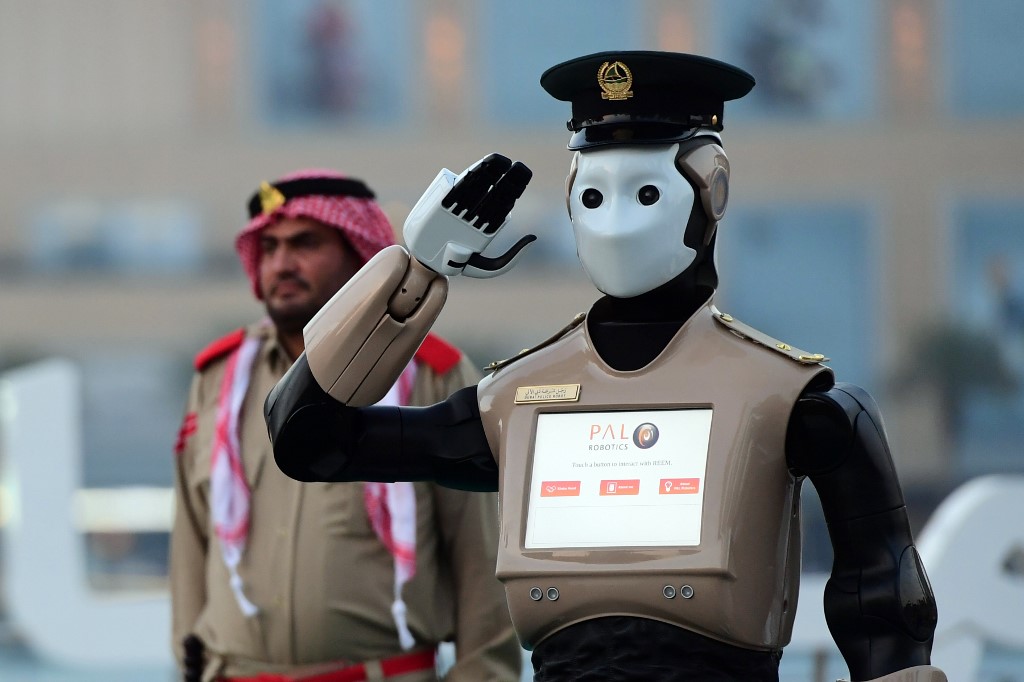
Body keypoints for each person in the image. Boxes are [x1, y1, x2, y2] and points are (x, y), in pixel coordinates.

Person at [265, 53, 947, 682]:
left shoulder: (790, 398)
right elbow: (307, 437)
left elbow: (885, 608)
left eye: (646, 194)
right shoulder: (518, 399)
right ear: (570, 199)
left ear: (711, 190)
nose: (616, 226)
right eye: (593, 197)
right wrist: (414, 270)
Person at [170, 169, 522, 682]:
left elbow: (481, 559)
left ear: (361, 256)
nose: (281, 263)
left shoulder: (434, 374)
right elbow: (190, 548)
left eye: (305, 243)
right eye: (269, 247)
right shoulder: (218, 379)